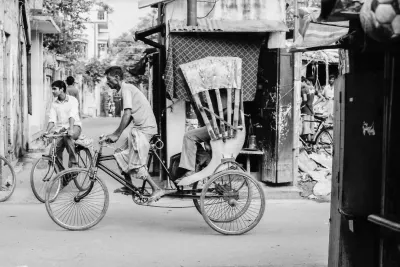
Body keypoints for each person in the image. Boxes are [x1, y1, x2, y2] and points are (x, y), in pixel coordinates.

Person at [103, 66, 170, 203]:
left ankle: (156, 189)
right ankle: (129, 186)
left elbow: (127, 114)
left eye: (109, 79)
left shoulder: (126, 89)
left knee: (136, 161)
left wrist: (116, 134)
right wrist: (115, 133)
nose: (107, 82)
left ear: (117, 77)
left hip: (144, 130)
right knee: (119, 152)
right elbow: (129, 117)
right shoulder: (125, 90)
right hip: (139, 128)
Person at [43, 80, 82, 168]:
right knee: (53, 151)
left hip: (75, 126)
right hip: (61, 129)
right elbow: (52, 119)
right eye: (52, 89)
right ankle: (62, 176)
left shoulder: (73, 100)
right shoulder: (54, 103)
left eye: (54, 89)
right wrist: (46, 131)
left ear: (61, 89)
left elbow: (72, 115)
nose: (52, 91)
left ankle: (73, 164)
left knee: (67, 137)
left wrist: (71, 129)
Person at [300, 76, 315, 142]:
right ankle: (312, 146)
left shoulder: (304, 89)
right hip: (311, 110)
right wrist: (313, 105)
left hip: (305, 110)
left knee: (306, 129)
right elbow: (321, 98)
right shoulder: (313, 89)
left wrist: (301, 105)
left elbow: (305, 99)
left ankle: (307, 146)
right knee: (311, 129)